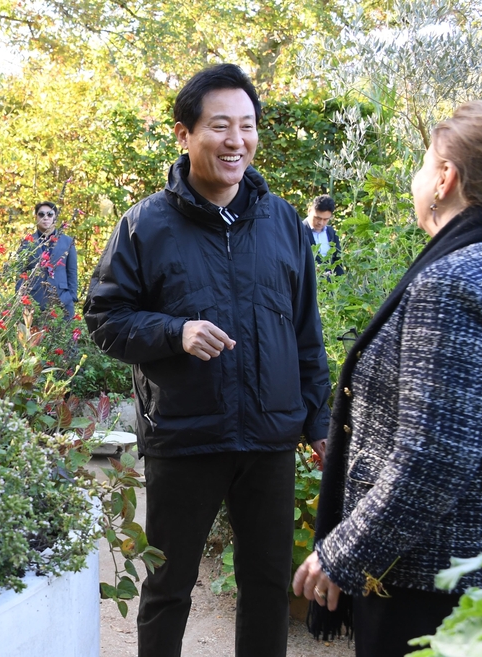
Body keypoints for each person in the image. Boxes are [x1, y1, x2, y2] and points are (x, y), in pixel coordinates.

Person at [84, 63, 330, 657]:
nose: (236, 140)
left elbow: (306, 333)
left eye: (246, 126)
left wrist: (320, 423)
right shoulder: (145, 225)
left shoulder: (284, 225)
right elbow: (104, 319)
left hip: (271, 437)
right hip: (185, 435)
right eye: (220, 125)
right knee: (169, 585)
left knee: (267, 584)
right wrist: (176, 331)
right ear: (183, 134)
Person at [293, 101, 482, 657]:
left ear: (446, 178)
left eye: (424, 163)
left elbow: (435, 456)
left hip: (431, 586)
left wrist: (344, 552)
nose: (418, 176)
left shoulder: (451, 285)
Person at [16, 201, 78, 319]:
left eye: (50, 214)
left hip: (62, 300)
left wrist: (71, 296)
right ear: (36, 217)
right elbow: (20, 272)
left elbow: (72, 272)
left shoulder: (68, 242)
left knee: (62, 336)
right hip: (34, 302)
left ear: (55, 218)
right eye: (41, 214)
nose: (45, 217)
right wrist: (21, 298)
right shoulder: (27, 242)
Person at [303, 194, 344, 276]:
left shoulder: (332, 232)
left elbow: (338, 261)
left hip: (330, 284)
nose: (321, 222)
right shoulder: (298, 230)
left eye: (325, 219)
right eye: (317, 218)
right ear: (309, 211)